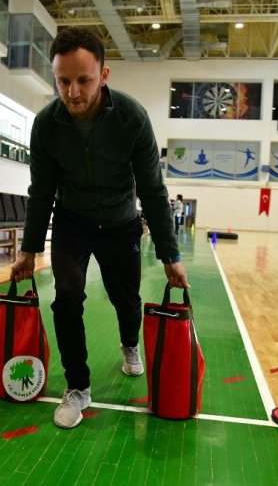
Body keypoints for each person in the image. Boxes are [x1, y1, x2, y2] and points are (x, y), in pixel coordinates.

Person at [10, 27, 189, 429]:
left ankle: (130, 344)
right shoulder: (47, 125)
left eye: (83, 80)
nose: (72, 92)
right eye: (63, 81)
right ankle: (77, 386)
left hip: (121, 222)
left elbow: (154, 191)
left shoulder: (131, 118)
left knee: (126, 300)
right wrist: (29, 248)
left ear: (104, 75)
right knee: (67, 297)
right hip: (72, 221)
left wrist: (170, 255)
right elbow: (41, 192)